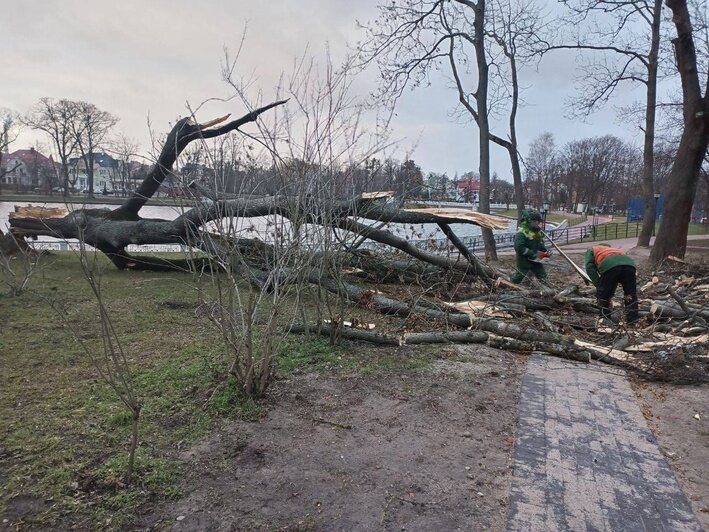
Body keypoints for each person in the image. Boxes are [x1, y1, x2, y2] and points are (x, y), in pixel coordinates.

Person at [584, 243, 639, 324]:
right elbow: (617, 273)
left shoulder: (592, 249)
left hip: (610, 266)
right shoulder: (614, 250)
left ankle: (605, 319)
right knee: (630, 294)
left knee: (603, 294)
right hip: (629, 265)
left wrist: (598, 284)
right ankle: (633, 320)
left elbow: (589, 267)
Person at [511, 209, 550, 284]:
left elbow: (539, 243)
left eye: (539, 221)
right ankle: (508, 286)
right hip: (524, 261)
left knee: (542, 276)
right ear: (530, 221)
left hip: (536, 260)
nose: (538, 223)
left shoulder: (536, 232)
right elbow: (519, 247)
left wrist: (545, 251)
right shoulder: (521, 232)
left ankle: (548, 290)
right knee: (518, 277)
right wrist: (531, 254)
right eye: (536, 221)